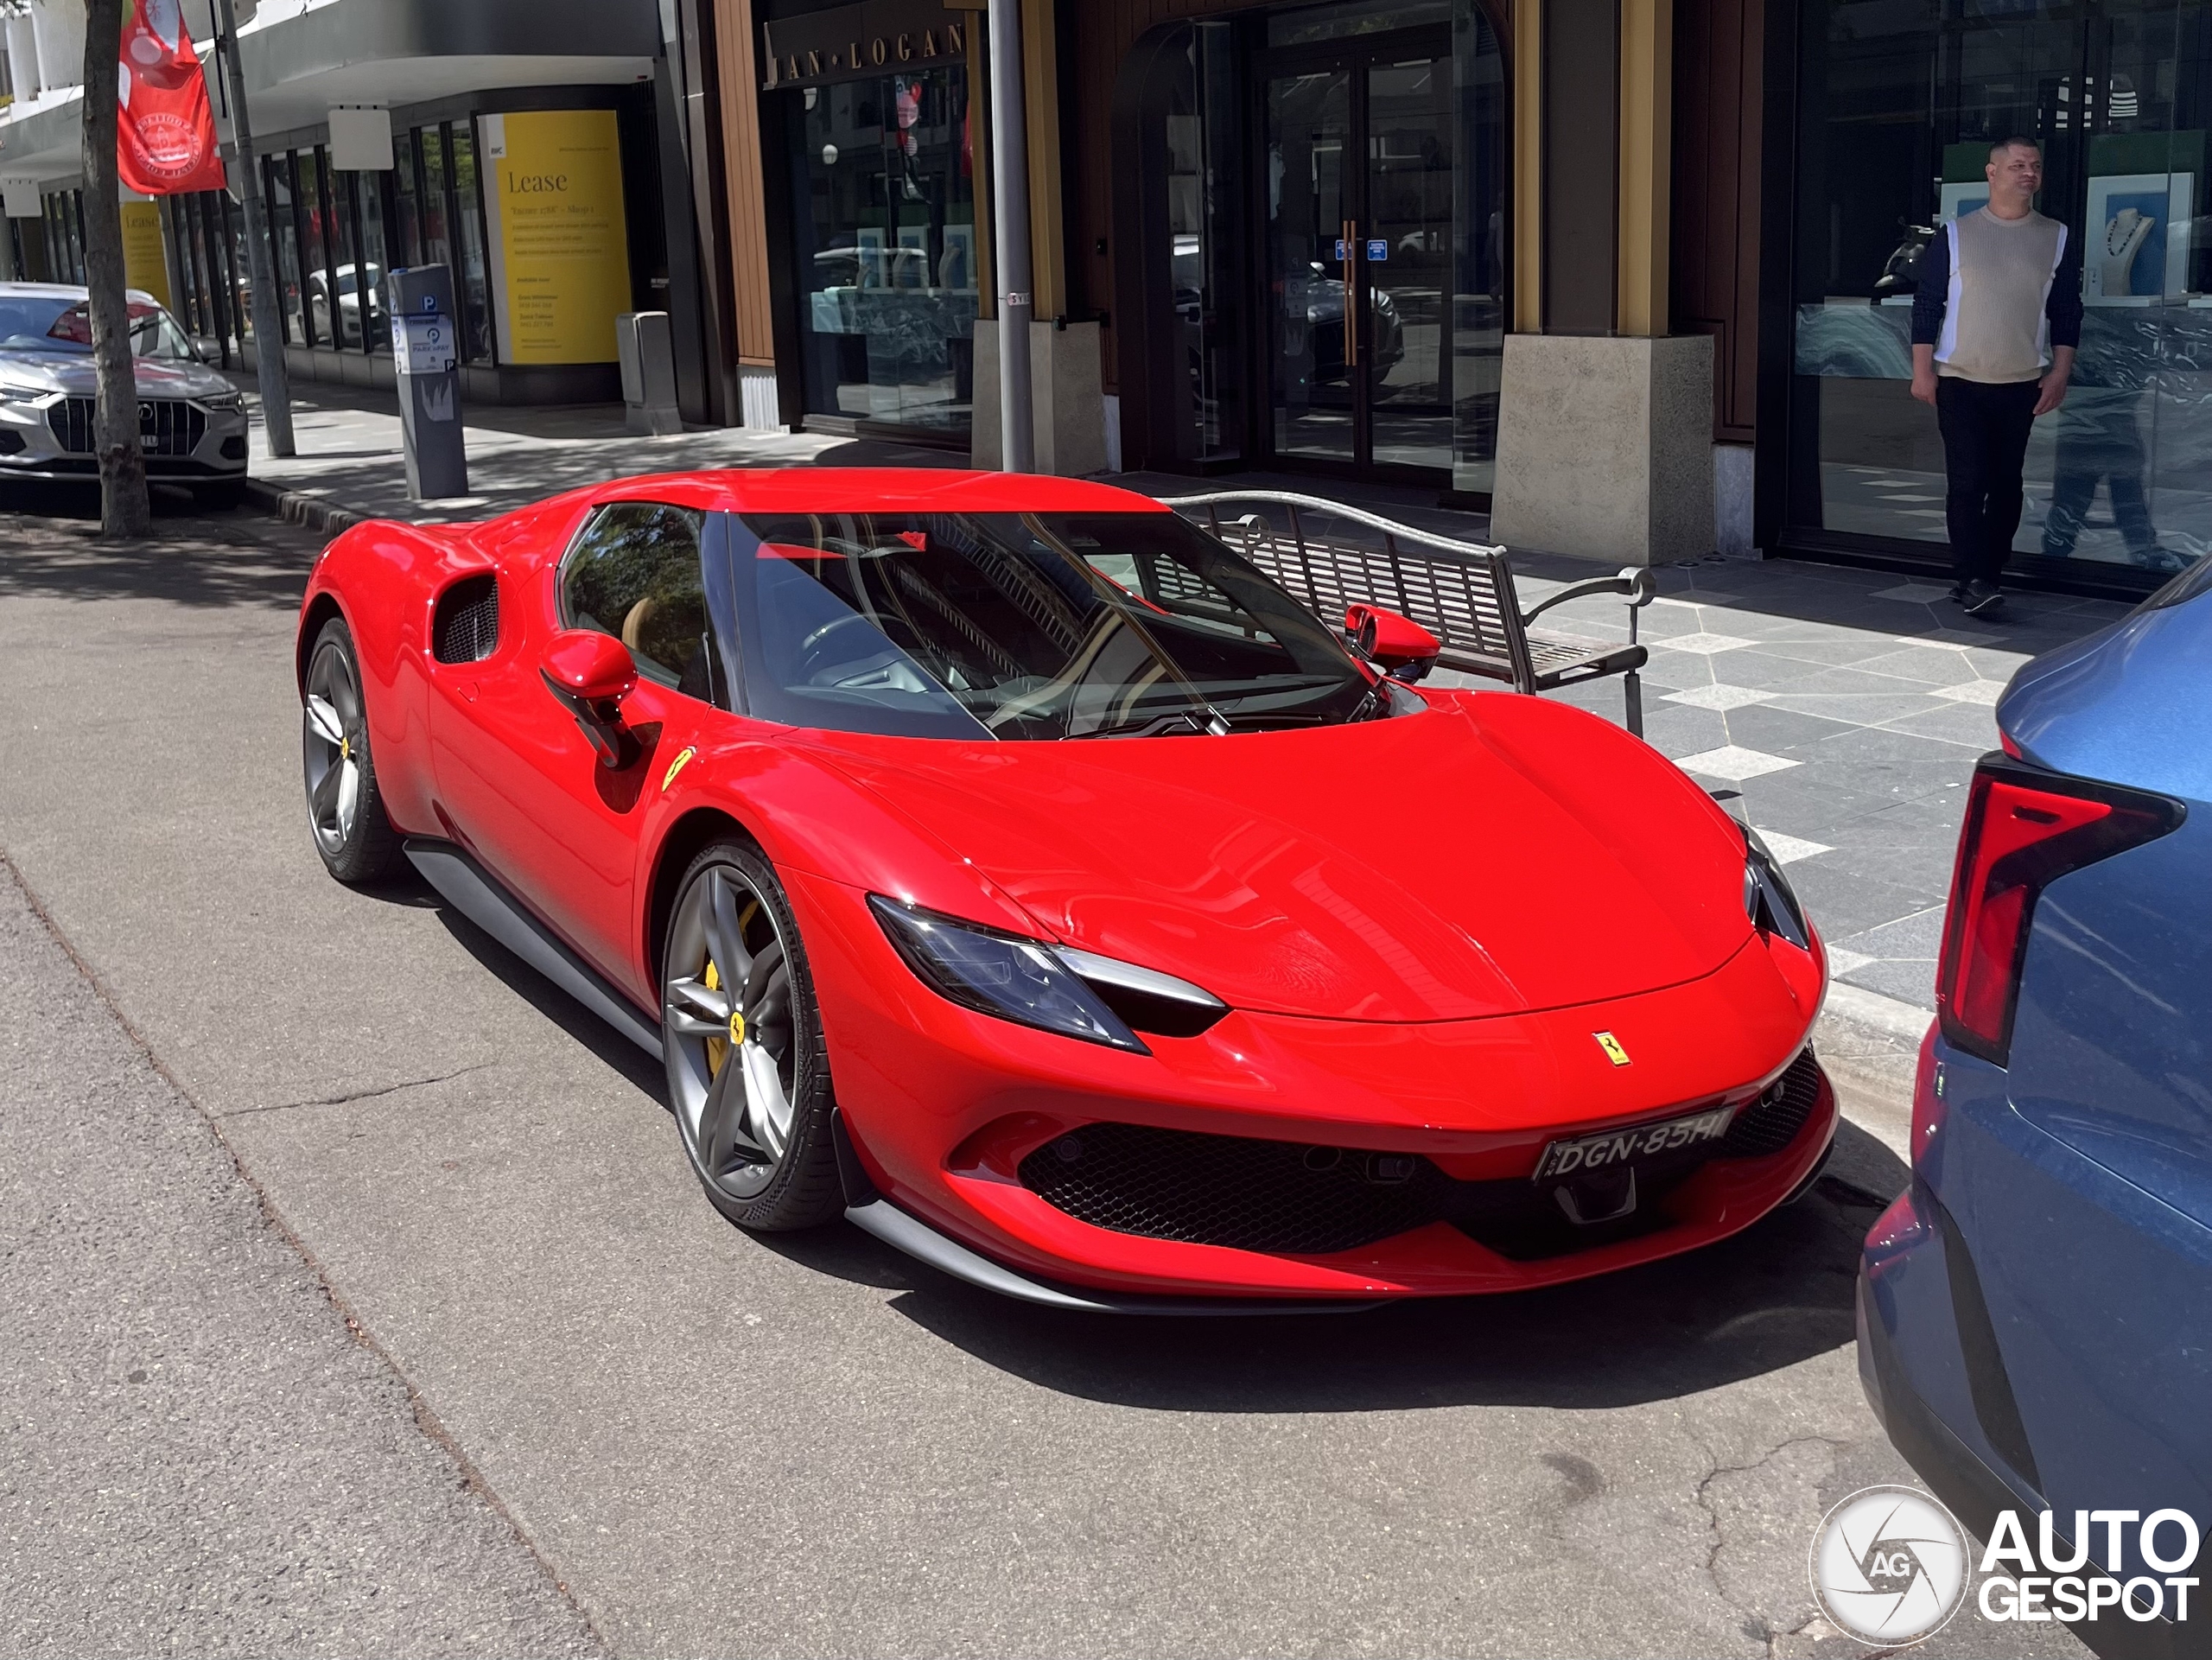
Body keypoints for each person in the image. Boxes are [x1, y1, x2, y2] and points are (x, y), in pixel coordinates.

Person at [1910, 137, 2083, 617]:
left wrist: (2059, 373)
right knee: (1968, 482)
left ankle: (1990, 572)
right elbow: (1928, 306)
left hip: (2021, 381)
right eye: (2016, 165)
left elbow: (2067, 311)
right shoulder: (1956, 235)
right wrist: (1922, 372)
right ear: (1991, 173)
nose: (2027, 172)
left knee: (2007, 483)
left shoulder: (2057, 237)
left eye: (2035, 165)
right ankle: (1969, 579)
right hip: (1960, 380)